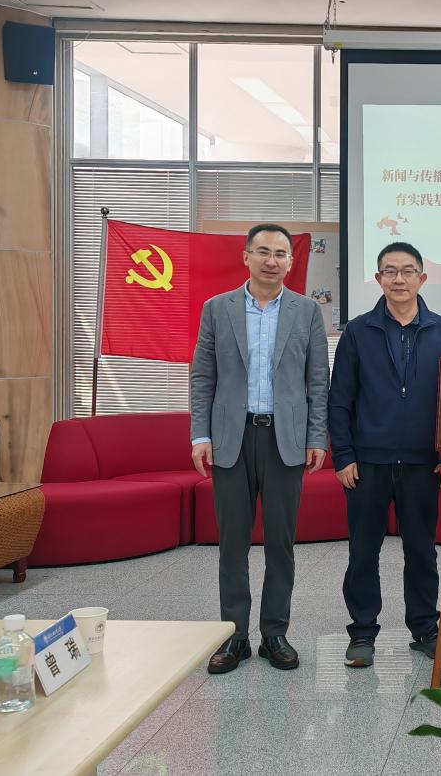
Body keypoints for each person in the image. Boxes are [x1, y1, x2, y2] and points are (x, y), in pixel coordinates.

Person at [190, 223, 329, 674]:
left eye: (280, 254)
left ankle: (274, 633)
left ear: (291, 262)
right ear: (246, 256)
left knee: (280, 543)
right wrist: (200, 435)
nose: (272, 261)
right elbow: (203, 377)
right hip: (231, 438)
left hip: (284, 440)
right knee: (232, 543)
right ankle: (234, 636)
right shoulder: (217, 309)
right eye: (263, 251)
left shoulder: (307, 311)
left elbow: (317, 381)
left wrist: (316, 436)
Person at [329, 241, 441, 668]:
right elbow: (340, 398)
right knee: (362, 552)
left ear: (422, 278)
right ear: (378, 278)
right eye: (390, 271)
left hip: (424, 463)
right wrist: (343, 455)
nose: (399, 279)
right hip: (367, 462)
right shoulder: (358, 331)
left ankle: (425, 628)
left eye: (408, 271)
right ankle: (362, 632)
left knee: (422, 551)